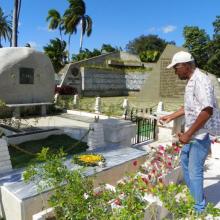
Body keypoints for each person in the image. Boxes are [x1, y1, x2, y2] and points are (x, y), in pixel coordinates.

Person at [160, 51, 218, 213]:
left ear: (185, 66)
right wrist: (171, 116)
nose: (174, 71)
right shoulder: (193, 80)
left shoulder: (201, 81)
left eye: (175, 68)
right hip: (194, 132)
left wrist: (187, 134)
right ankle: (196, 196)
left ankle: (199, 207)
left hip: (200, 134)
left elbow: (207, 110)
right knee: (184, 160)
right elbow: (190, 107)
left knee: (194, 170)